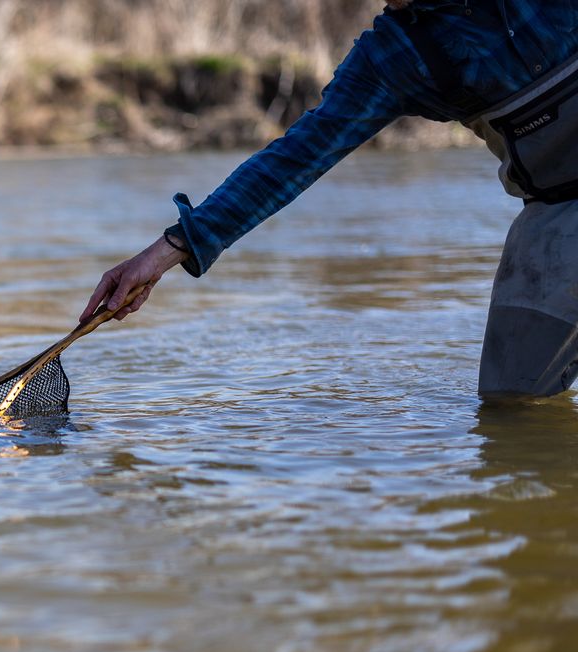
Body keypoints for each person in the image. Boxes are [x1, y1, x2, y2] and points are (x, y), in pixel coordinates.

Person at [81, 0, 578, 397]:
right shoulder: (391, 58)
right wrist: (164, 252)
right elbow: (291, 160)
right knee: (513, 409)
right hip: (558, 215)